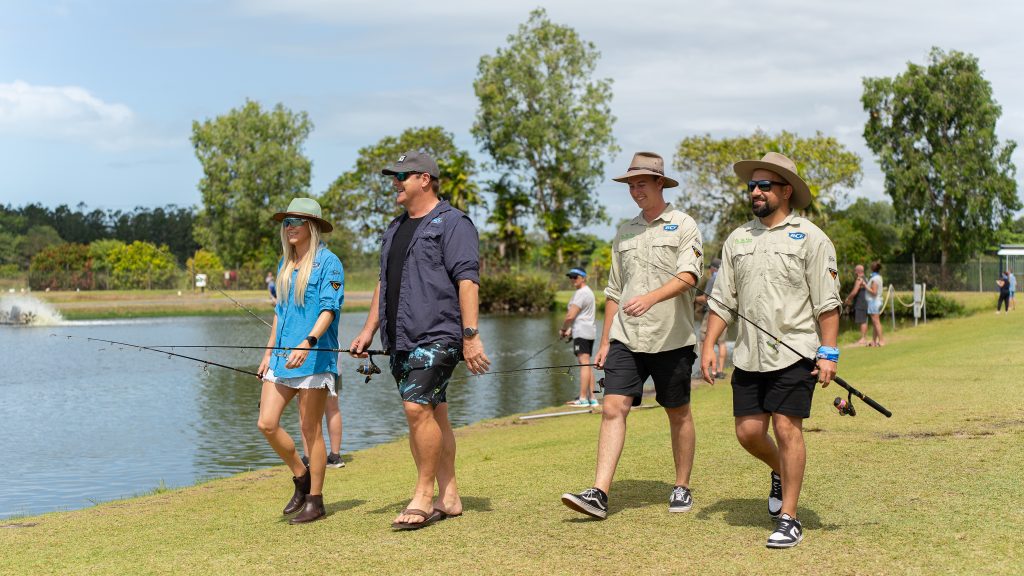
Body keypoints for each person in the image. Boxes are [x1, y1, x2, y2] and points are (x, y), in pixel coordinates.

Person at [701, 152, 841, 549]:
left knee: (786, 426)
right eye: (752, 186)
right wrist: (709, 343)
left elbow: (827, 302)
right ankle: (781, 470)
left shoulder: (812, 238)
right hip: (748, 355)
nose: (756, 192)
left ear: (786, 191)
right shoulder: (738, 239)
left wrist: (828, 352)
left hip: (796, 353)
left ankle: (789, 518)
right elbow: (721, 299)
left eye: (765, 185)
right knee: (748, 434)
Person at [349, 150, 489, 531]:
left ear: (424, 179)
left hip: (439, 333)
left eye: (402, 176)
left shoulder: (453, 223)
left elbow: (467, 280)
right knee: (433, 411)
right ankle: (451, 495)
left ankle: (423, 496)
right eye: (394, 176)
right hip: (401, 337)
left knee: (416, 410)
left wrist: (471, 336)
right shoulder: (395, 228)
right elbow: (384, 282)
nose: (395, 183)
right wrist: (368, 330)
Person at [561, 151, 703, 520]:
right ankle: (599, 493)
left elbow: (690, 276)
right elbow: (613, 292)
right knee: (612, 407)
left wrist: (651, 298)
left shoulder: (684, 225)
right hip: (627, 337)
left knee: (678, 412)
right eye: (630, 184)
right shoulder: (625, 232)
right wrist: (606, 341)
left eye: (642, 183)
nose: (635, 190)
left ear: (660, 183)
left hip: (672, 338)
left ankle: (682, 486)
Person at [255, 197, 344, 524]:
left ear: (312, 226)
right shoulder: (285, 263)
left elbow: (328, 309)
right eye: (286, 222)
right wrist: (267, 354)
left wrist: (309, 342)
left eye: (296, 221)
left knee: (310, 431)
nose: (290, 227)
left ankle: (316, 500)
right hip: (281, 358)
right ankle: (300, 476)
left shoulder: (328, 263)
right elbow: (280, 314)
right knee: (266, 423)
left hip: (315, 357)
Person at [560, 267, 598, 407]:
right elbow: (583, 316)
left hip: (582, 332)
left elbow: (570, 315)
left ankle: (582, 398)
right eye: (570, 277)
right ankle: (592, 398)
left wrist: (563, 329)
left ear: (583, 277)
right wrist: (570, 330)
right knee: (587, 364)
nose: (572, 279)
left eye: (575, 277)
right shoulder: (588, 292)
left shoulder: (581, 293)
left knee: (584, 364)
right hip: (588, 331)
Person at [694, 258, 728, 379]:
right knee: (722, 343)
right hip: (725, 314)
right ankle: (720, 371)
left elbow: (705, 298)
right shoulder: (726, 278)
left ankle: (705, 370)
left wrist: (693, 299)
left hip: (712, 314)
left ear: (713, 268)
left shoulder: (713, 278)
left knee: (704, 340)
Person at [844, 264, 869, 346]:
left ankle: (863, 338)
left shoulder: (859, 279)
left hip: (860, 303)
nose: (854, 272)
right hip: (865, 302)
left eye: (855, 270)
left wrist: (848, 299)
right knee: (864, 321)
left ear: (858, 271)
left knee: (862, 321)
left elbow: (854, 291)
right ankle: (864, 337)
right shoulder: (866, 279)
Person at [866, 262, 885, 346]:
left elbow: (874, 292)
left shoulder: (875, 278)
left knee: (876, 322)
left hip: (874, 301)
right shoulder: (878, 277)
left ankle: (881, 341)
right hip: (875, 301)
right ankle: (873, 341)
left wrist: (864, 285)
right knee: (874, 322)